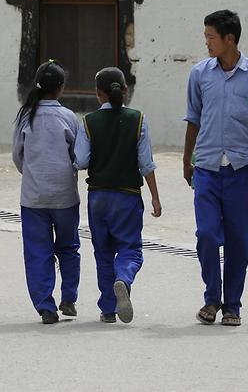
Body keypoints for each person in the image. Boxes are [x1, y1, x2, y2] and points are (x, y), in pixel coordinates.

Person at [183, 9, 248, 327]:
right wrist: (187, 159)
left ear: (229, 39)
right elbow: (193, 119)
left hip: (241, 170)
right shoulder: (200, 74)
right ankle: (211, 298)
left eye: (211, 37)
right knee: (207, 234)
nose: (207, 43)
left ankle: (232, 306)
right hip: (206, 169)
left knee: (240, 240)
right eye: (205, 36)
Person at [75, 67, 162, 324]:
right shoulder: (138, 120)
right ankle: (123, 278)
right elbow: (146, 164)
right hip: (127, 196)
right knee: (131, 250)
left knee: (102, 253)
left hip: (98, 197)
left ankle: (108, 309)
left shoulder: (89, 123)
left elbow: (80, 161)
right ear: (125, 90)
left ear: (97, 94)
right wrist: (155, 197)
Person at [12, 61, 80, 325]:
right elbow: (77, 155)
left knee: (37, 250)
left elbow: (18, 156)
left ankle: (45, 306)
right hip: (64, 196)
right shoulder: (68, 117)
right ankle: (69, 297)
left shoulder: (25, 116)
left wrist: (31, 173)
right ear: (61, 88)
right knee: (69, 246)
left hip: (33, 197)